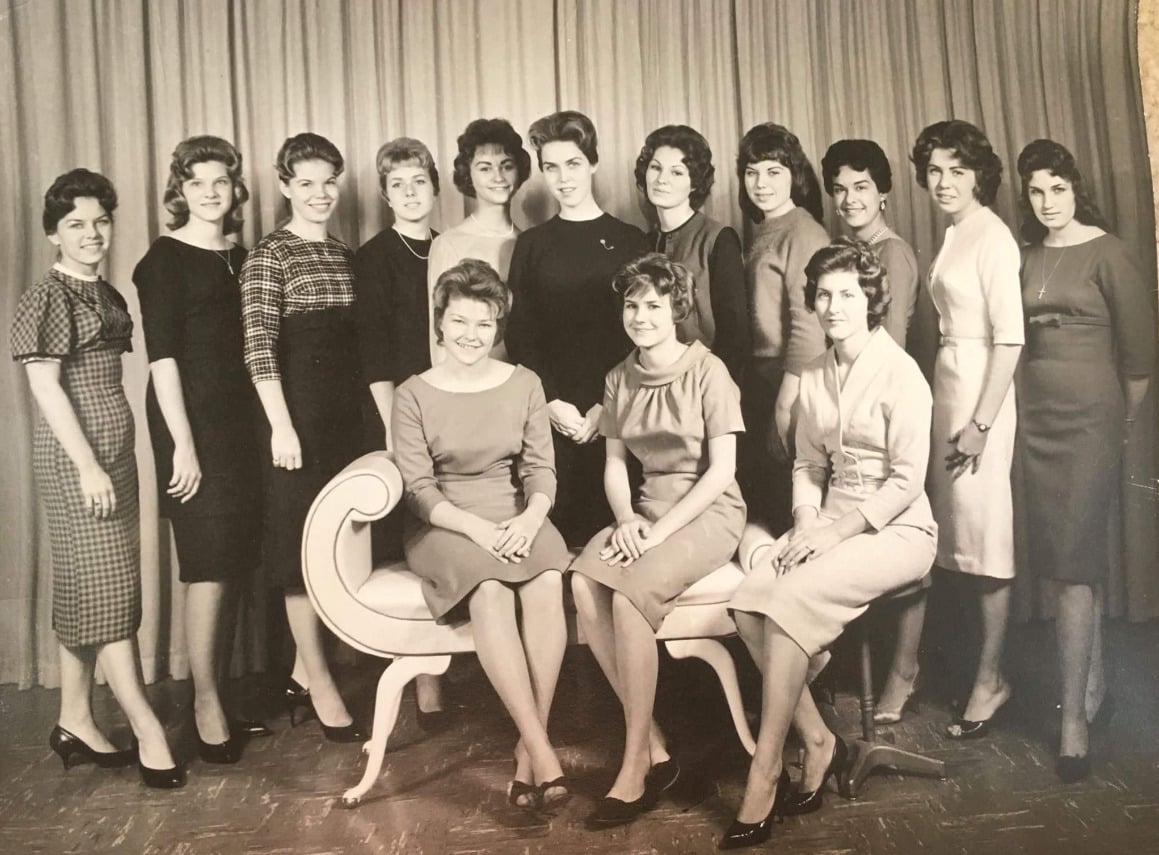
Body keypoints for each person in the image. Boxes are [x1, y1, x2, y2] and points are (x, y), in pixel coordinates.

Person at [723, 239, 936, 849]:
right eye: (824, 294)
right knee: (747, 601)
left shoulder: (902, 374)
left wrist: (832, 533)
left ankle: (764, 770)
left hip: (896, 529)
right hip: (828, 519)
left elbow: (907, 481)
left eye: (848, 293)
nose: (834, 304)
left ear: (871, 300)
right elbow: (808, 465)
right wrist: (806, 522)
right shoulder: (814, 374)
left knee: (785, 606)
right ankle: (818, 739)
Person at [11, 169, 183, 788]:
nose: (91, 235)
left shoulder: (104, 292)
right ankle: (146, 728)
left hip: (116, 459)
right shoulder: (47, 296)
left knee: (95, 588)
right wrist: (86, 463)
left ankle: (75, 717)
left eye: (100, 222)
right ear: (54, 235)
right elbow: (43, 386)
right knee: (108, 594)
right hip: (76, 462)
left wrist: (107, 460)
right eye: (75, 225)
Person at [570, 253, 746, 829]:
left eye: (653, 305)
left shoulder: (708, 370)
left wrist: (655, 535)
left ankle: (633, 767)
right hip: (645, 512)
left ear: (677, 308)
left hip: (707, 513)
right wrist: (625, 520)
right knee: (582, 580)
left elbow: (721, 472)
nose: (640, 316)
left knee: (628, 595)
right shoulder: (620, 376)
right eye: (631, 305)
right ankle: (656, 744)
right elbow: (615, 464)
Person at [391, 259, 571, 810]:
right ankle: (543, 753)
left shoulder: (524, 383)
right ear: (440, 324)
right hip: (446, 523)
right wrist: (477, 529)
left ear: (498, 327)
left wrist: (528, 519)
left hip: (517, 514)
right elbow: (419, 490)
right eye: (460, 322)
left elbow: (541, 470)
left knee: (544, 584)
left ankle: (528, 752)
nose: (472, 335)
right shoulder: (413, 393)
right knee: (491, 590)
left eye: (484, 324)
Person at [1016, 139, 1154, 781]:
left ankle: (1072, 721)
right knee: (1063, 562)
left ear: (1077, 188)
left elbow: (1140, 357)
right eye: (1036, 192)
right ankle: (1092, 689)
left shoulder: (1108, 251)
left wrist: (1119, 424)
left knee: (1073, 562)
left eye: (1057, 190)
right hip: (1034, 422)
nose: (1047, 203)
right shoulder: (1025, 256)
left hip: (1093, 422)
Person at [133, 136, 270, 765]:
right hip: (191, 428)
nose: (210, 193)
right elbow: (162, 362)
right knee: (208, 564)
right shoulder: (162, 261)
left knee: (237, 561)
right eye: (197, 184)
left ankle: (223, 696)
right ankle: (204, 701)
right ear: (179, 192)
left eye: (220, 182)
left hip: (244, 427)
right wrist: (183, 448)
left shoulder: (243, 257)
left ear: (235, 190)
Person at [240, 133, 365, 742]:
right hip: (297, 426)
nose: (320, 194)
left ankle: (298, 673)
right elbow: (258, 348)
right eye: (306, 183)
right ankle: (320, 683)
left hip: (345, 425)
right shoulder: (269, 256)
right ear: (286, 186)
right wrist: (281, 427)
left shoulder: (344, 254)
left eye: (328, 182)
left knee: (336, 547)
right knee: (298, 557)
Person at [910, 120, 1024, 739]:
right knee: (957, 540)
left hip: (983, 392)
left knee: (987, 543)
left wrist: (981, 423)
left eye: (957, 170)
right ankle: (973, 672)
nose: (944, 182)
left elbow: (1009, 340)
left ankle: (992, 680)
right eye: (934, 171)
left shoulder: (993, 238)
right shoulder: (957, 232)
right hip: (951, 385)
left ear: (980, 176)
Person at [505, 110, 648, 545]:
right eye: (551, 167)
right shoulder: (531, 245)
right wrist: (548, 402)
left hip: (618, 415)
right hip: (552, 417)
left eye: (573, 164)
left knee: (615, 544)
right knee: (556, 545)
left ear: (593, 164)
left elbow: (642, 335)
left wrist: (608, 408)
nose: (563, 178)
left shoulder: (630, 240)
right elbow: (520, 336)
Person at [353, 136, 445, 723]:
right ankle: (424, 681)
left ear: (436, 187)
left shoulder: (447, 247)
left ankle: (453, 657)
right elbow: (375, 353)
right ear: (386, 196)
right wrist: (395, 433)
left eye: (419, 182)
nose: (411, 194)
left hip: (447, 403)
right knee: (410, 531)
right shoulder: (374, 256)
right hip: (394, 409)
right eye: (398, 186)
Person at [735, 122, 829, 533]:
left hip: (786, 385)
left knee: (782, 507)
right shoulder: (765, 229)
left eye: (774, 171)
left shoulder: (803, 231)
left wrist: (784, 405)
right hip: (757, 382)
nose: (761, 183)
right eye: (752, 172)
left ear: (795, 175)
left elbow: (808, 329)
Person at [635, 124, 747, 382]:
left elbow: (735, 335)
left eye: (677, 172)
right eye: (655, 167)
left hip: (706, 383)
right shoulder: (642, 243)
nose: (662, 179)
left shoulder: (718, 239)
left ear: (695, 183)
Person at [428, 118, 531, 364]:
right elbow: (439, 340)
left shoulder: (531, 241)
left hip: (525, 382)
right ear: (468, 175)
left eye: (506, 166)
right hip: (471, 383)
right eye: (485, 168)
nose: (498, 176)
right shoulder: (449, 243)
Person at [821, 139, 919, 346]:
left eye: (860, 187)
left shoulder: (892, 252)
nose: (849, 200)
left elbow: (890, 343)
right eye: (840, 190)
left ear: (882, 191)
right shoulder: (850, 250)